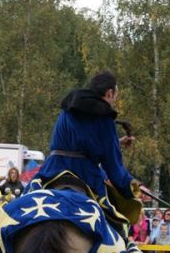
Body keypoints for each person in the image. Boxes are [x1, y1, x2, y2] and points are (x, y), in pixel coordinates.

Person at [29, 70, 140, 230]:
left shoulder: (69, 107)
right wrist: (131, 186)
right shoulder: (105, 118)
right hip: (85, 175)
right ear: (109, 93)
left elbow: (76, 143)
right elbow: (113, 167)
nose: (114, 101)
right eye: (115, 96)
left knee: (19, 206)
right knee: (118, 228)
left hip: (52, 170)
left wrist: (117, 142)